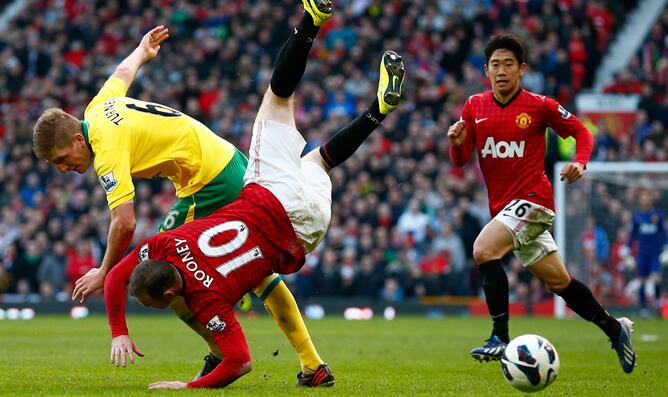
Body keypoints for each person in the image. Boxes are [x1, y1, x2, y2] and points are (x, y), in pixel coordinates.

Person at [103, 1, 405, 389]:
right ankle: (313, 23)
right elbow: (116, 278)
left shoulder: (205, 303)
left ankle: (377, 110)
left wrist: (187, 387)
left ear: (169, 292)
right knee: (278, 99)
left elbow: (241, 362)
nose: (149, 307)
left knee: (318, 162)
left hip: (304, 231)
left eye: (150, 304)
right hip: (265, 198)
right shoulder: (165, 241)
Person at [32, 1, 338, 382]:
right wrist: (142, 51)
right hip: (227, 159)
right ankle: (312, 365)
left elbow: (123, 223)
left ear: (78, 139)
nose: (64, 168)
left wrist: (104, 270)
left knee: (162, 273)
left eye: (63, 158)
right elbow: (122, 73)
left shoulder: (106, 153)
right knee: (258, 272)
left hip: (206, 182)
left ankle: (218, 350)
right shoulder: (97, 108)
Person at [446, 34, 636, 373]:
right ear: (486, 71)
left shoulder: (539, 105)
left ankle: (499, 337)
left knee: (483, 250)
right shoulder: (474, 106)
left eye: (508, 64)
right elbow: (461, 160)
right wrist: (457, 143)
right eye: (494, 65)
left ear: (522, 70)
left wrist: (580, 161)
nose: (501, 71)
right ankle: (615, 328)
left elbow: (582, 132)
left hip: (534, 202)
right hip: (505, 211)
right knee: (559, 282)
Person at [626, 189, 665, 318]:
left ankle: (658, 302)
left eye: (647, 197)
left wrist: (666, 246)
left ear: (651, 199)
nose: (645, 200)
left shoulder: (658, 215)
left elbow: (663, 232)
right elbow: (633, 234)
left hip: (655, 252)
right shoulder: (637, 216)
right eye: (643, 197)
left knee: (656, 277)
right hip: (642, 253)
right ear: (640, 200)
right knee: (642, 280)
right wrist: (627, 249)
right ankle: (643, 308)